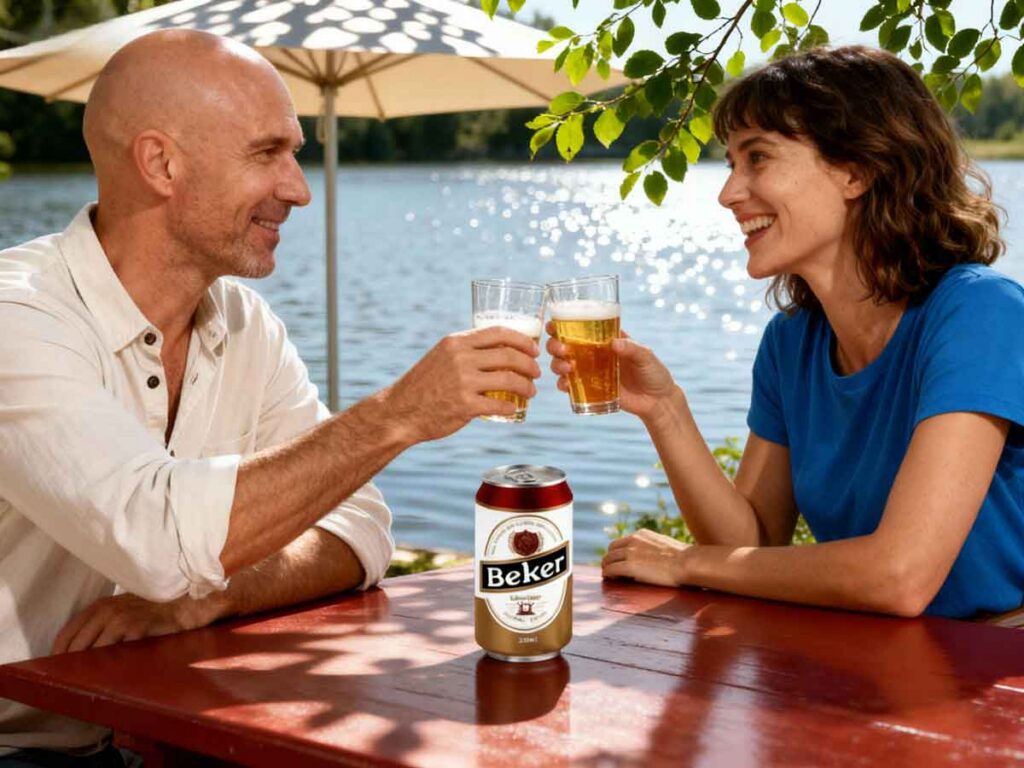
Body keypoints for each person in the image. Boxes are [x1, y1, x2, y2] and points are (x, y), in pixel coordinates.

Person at [0, 30, 541, 764]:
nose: (298, 187)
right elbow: (157, 541)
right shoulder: (18, 317)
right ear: (161, 164)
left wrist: (211, 597)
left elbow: (360, 531)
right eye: (266, 154)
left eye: (295, 151)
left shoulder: (244, 322)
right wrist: (396, 415)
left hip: (155, 728)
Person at [549, 46, 1024, 622]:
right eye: (731, 163)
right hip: (868, 663)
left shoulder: (981, 313)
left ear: (858, 170)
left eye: (758, 158)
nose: (728, 193)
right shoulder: (791, 341)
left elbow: (899, 576)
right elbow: (753, 538)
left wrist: (687, 563)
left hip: (997, 673)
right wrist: (665, 410)